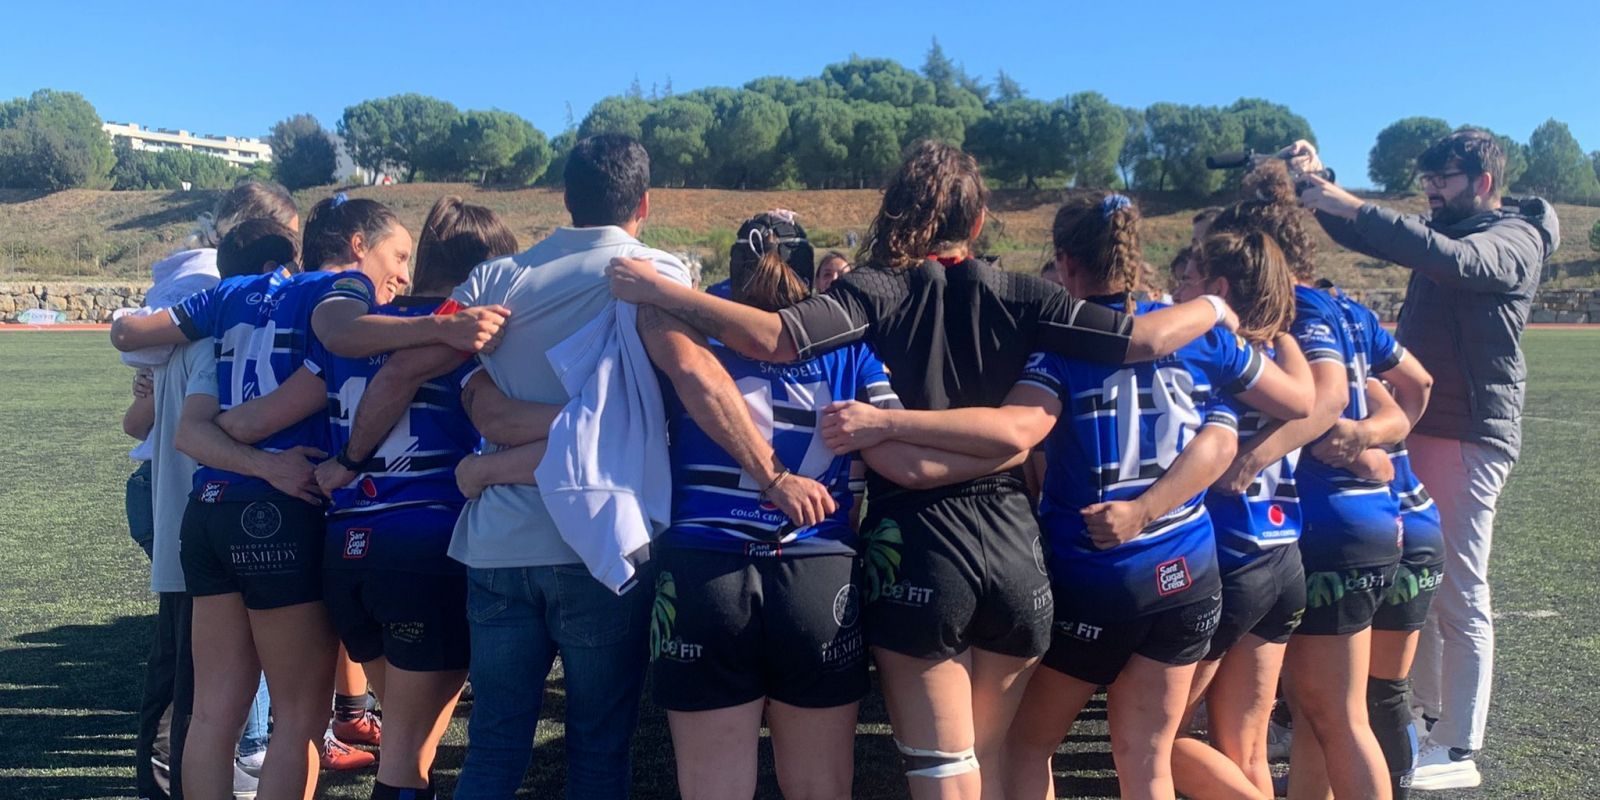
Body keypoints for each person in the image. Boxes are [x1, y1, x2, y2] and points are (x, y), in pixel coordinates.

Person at [606, 141, 1247, 800]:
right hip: (1012, 545)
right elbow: (1134, 344)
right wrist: (1216, 310)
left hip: (915, 547)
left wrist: (660, 290)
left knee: (944, 766)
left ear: (894, 211)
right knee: (994, 757)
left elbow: (776, 341)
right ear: (976, 224)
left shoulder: (872, 291)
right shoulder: (1027, 295)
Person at [327, 135, 830, 800]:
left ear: (565, 199)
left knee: (496, 744)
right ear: (644, 203)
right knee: (597, 746)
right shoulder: (653, 271)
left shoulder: (494, 278)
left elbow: (406, 369)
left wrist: (349, 459)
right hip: (601, 541)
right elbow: (691, 374)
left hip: (499, 543)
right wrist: (770, 476)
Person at [816, 193, 1313, 800]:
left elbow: (1015, 433)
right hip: (1192, 572)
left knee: (1022, 745)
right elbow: (1296, 405)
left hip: (1099, 575)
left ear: (1066, 265)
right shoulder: (1196, 335)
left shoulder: (1061, 348)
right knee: (1147, 760)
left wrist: (889, 423)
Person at [109, 194, 506, 800]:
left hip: (208, 506)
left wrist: (240, 445)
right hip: (290, 513)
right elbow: (316, 387)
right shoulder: (338, 299)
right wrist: (441, 327)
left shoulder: (230, 302)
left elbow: (193, 418)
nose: (401, 273)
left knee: (213, 712)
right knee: (299, 718)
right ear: (355, 248)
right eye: (396, 255)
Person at [218, 195, 521, 799]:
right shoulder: (468, 330)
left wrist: (213, 427)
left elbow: (249, 422)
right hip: (421, 550)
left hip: (346, 558)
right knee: (408, 753)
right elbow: (487, 412)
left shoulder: (350, 334)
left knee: (410, 744)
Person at [1287, 131, 1558, 791]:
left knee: (1462, 589)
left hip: (1469, 432)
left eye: (1445, 178)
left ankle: (1459, 743)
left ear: (1483, 182)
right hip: (1429, 427)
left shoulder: (1514, 237)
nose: (1432, 189)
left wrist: (1341, 201)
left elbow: (1447, 259)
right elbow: (1385, 239)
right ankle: (1433, 718)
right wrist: (1317, 186)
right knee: (1432, 585)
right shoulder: (1453, 228)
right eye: (1429, 178)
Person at [121, 182, 301, 800]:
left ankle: (169, 778)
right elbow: (200, 433)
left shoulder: (192, 315)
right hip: (209, 506)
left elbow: (144, 400)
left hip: (186, 508)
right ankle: (188, 778)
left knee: (185, 672)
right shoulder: (217, 329)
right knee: (202, 683)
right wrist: (274, 466)